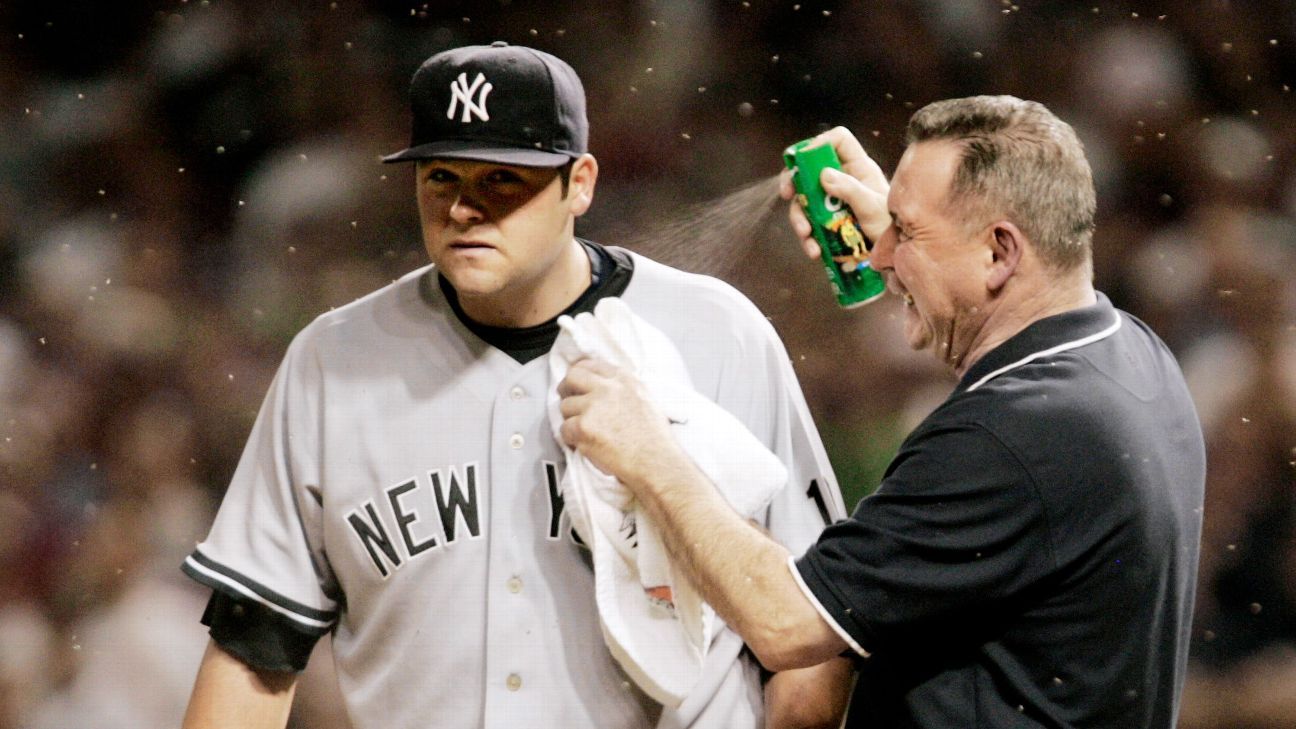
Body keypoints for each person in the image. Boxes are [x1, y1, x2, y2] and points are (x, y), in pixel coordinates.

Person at [178, 41, 852, 729]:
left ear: (580, 183)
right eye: (442, 176)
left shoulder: (717, 332)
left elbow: (816, 633)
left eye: (504, 177)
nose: (466, 208)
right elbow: (252, 647)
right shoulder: (332, 359)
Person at [557, 95, 1206, 727]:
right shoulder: (1133, 353)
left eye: (907, 232)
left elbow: (786, 622)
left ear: (1000, 252)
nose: (878, 253)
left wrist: (647, 451)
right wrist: (916, 235)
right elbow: (1005, 352)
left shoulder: (1003, 437)